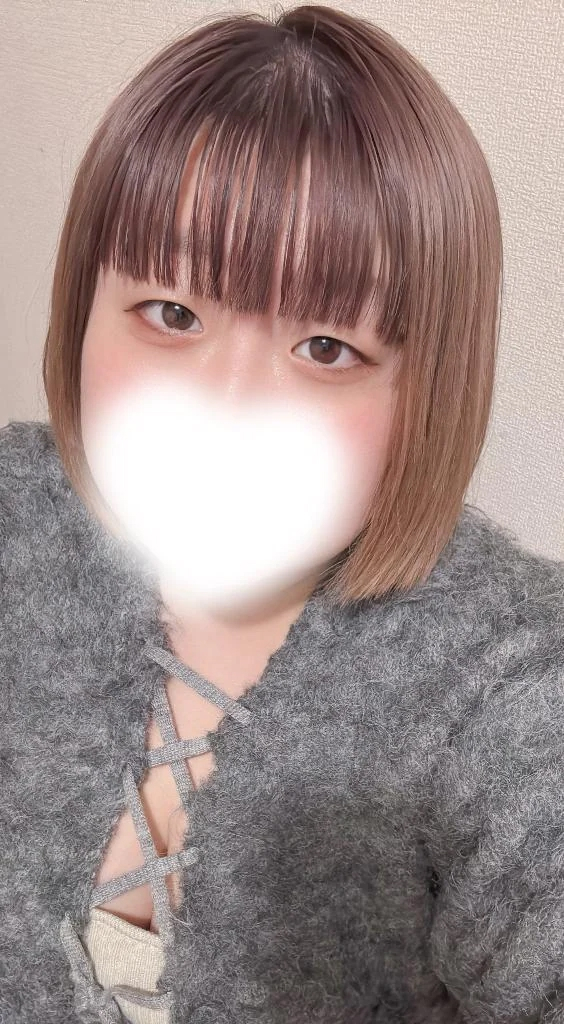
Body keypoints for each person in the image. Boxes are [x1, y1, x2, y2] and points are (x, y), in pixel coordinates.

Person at [1, 5, 562, 1023]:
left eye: (326, 348)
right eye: (173, 312)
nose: (228, 408)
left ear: (427, 388)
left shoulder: (508, 682)